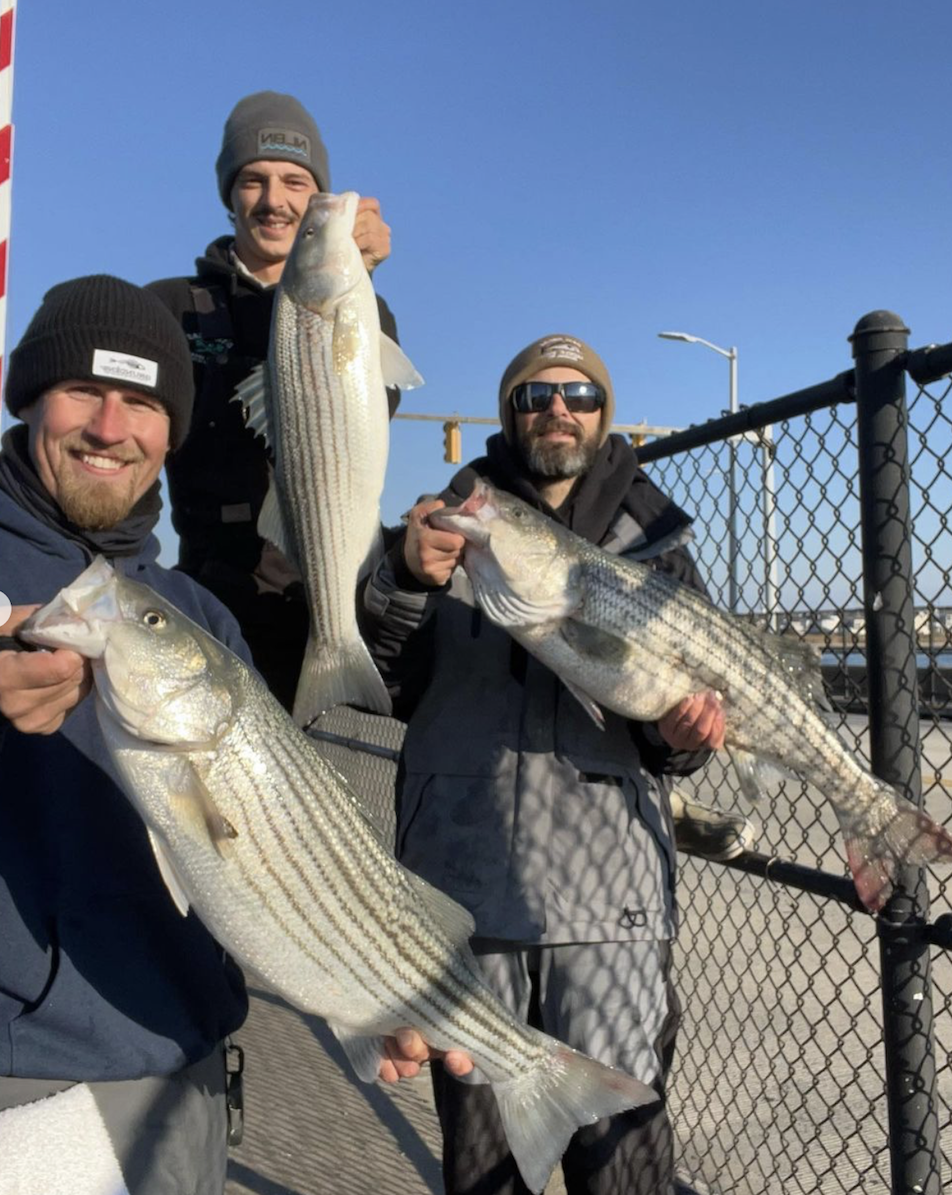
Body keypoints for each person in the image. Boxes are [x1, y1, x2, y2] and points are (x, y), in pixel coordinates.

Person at [0, 275, 467, 1195]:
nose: (110, 427)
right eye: (83, 391)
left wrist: (374, 979)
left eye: (142, 402)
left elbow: (270, 847)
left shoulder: (193, 611)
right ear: (27, 397)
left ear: (172, 430)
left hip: (192, 1063)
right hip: (31, 1074)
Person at [361, 333, 747, 1194]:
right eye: (535, 396)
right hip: (465, 893)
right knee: (485, 1160)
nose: (558, 409)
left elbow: (672, 739)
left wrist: (682, 738)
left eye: (578, 393)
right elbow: (383, 679)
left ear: (604, 415)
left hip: (610, 900)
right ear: (510, 415)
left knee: (624, 1157)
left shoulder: (660, 549)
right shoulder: (448, 523)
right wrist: (400, 578)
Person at [147, 90, 400, 711]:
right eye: (253, 180)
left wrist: (358, 281)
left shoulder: (366, 308)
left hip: (324, 586)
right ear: (229, 195)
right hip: (208, 592)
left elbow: (376, 406)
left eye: (296, 182)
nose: (275, 200)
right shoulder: (168, 304)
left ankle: (336, 657)